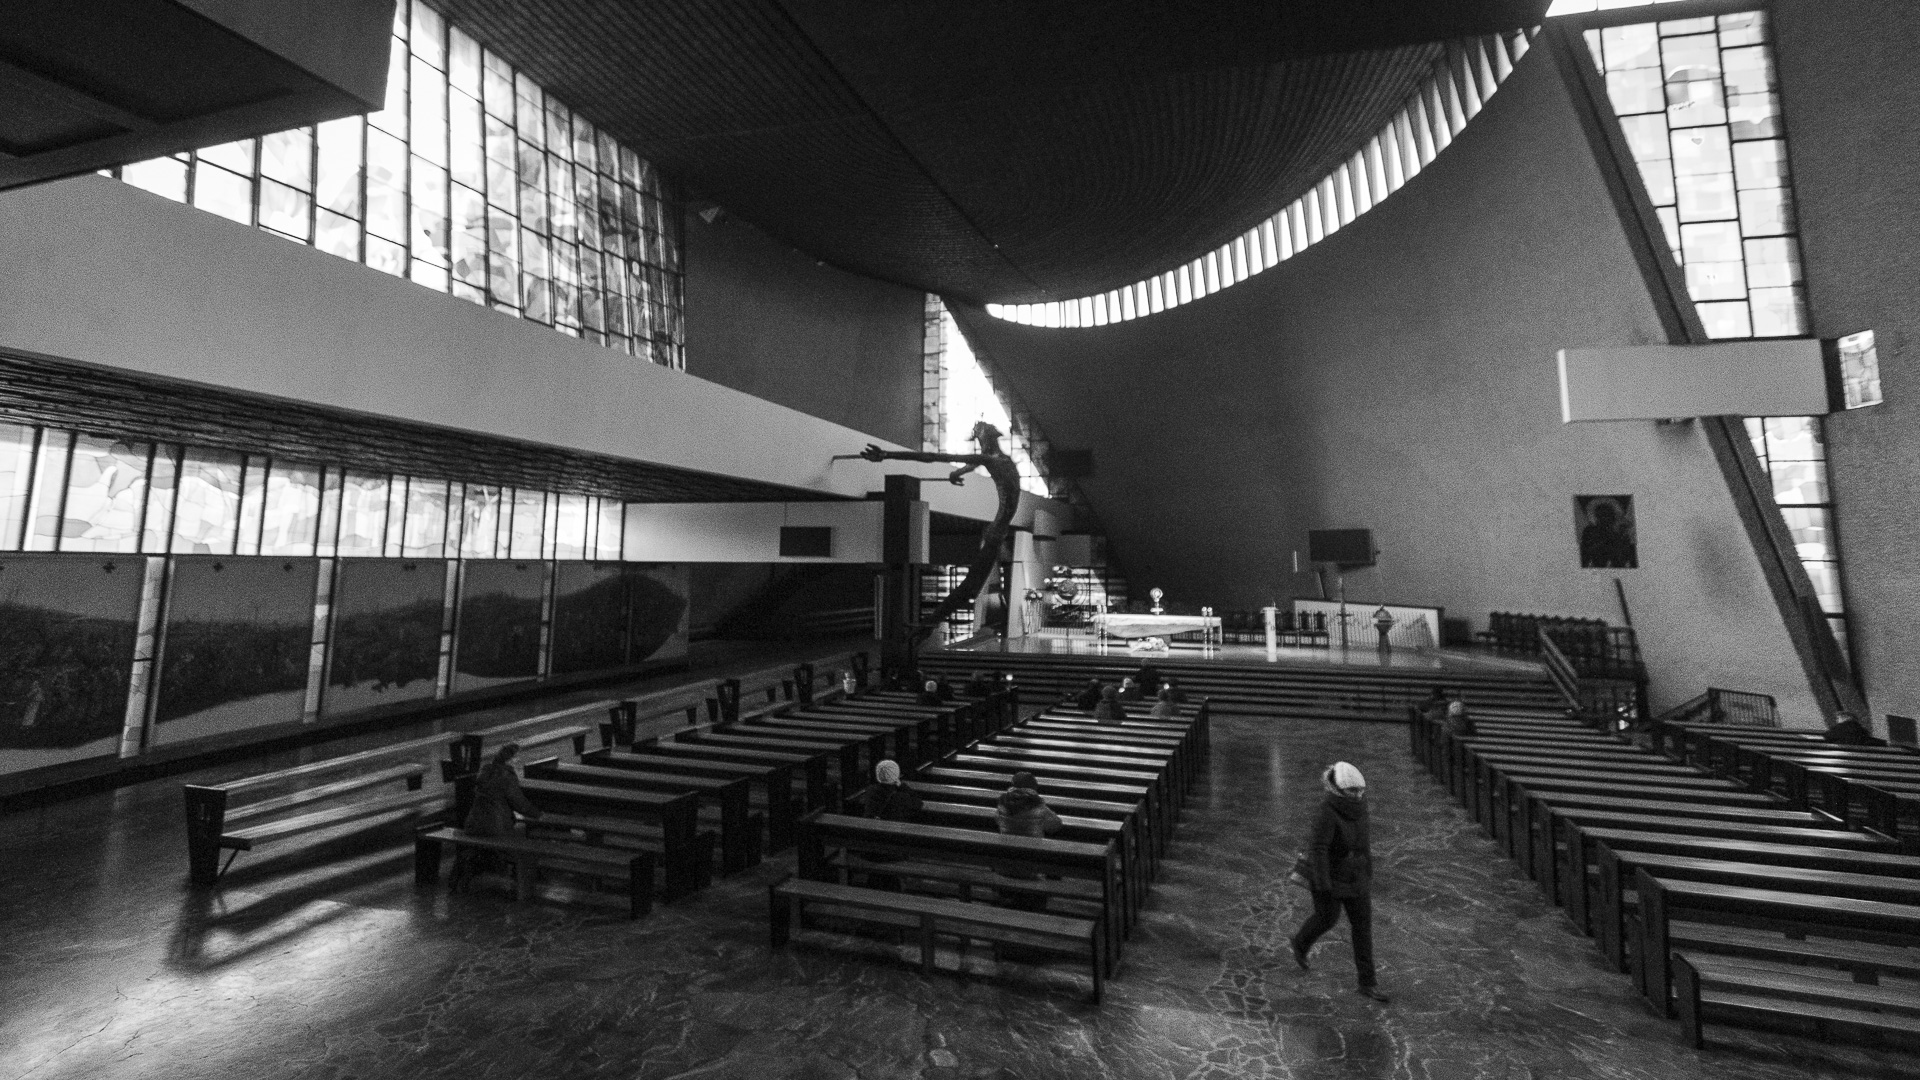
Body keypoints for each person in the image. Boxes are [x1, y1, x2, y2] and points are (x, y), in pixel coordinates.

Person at [1290, 761, 1387, 1003]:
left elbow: (1363, 843)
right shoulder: (1327, 811)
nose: (1358, 795)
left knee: (1362, 929)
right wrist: (1323, 883)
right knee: (1326, 919)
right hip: (1330, 877)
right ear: (1338, 790)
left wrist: (1367, 869)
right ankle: (1300, 943)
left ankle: (1368, 982)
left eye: (1360, 791)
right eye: (1352, 791)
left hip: (1356, 876)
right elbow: (1319, 848)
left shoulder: (1359, 806)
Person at [451, 743, 542, 890]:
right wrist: (539, 815)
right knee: (523, 838)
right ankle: (520, 881)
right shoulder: (506, 776)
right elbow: (520, 804)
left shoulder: (486, 771)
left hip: (474, 824)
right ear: (511, 760)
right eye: (517, 759)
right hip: (495, 827)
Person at [994, 771, 1061, 911]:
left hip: (1004, 864)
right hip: (1032, 868)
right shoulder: (1038, 805)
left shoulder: (1002, 803)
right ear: (1033, 787)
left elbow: (997, 820)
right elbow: (1055, 825)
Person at [857, 760, 923, 891]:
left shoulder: (870, 792)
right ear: (896, 776)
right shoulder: (902, 797)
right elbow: (918, 803)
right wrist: (902, 785)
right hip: (894, 851)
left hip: (870, 849)